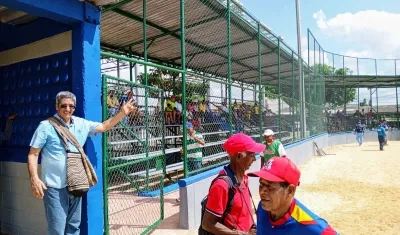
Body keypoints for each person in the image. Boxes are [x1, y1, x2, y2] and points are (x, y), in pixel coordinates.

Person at [27, 91, 136, 235]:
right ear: (57, 106)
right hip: (54, 186)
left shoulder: (81, 123)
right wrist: (34, 178)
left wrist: (122, 113)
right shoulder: (45, 126)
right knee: (57, 230)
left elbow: (104, 126)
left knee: (73, 228)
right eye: (63, 105)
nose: (67, 109)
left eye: (71, 106)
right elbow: (33, 154)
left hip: (76, 183)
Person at [247, 157, 338, 235]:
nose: (262, 191)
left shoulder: (310, 225)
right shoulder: (263, 208)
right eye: (261, 184)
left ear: (290, 191)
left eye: (270, 186)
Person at [201, 133, 265, 235]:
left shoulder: (244, 178)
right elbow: (207, 223)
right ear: (239, 156)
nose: (254, 159)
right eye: (252, 154)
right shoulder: (221, 185)